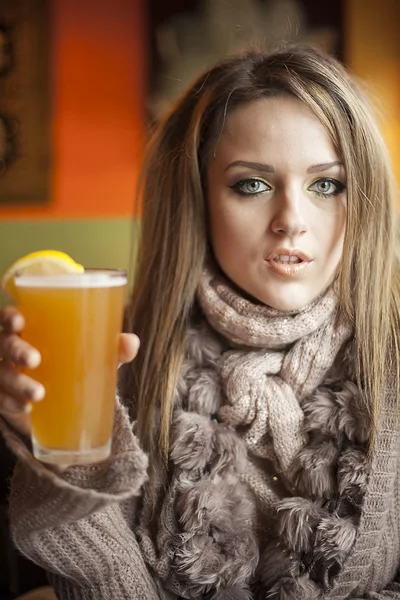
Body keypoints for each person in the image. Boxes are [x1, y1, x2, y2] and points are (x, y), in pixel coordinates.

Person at [0, 43, 400, 600]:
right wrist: (63, 454)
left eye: (326, 185)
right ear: (199, 199)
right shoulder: (111, 353)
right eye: (252, 185)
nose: (291, 220)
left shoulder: (394, 354)